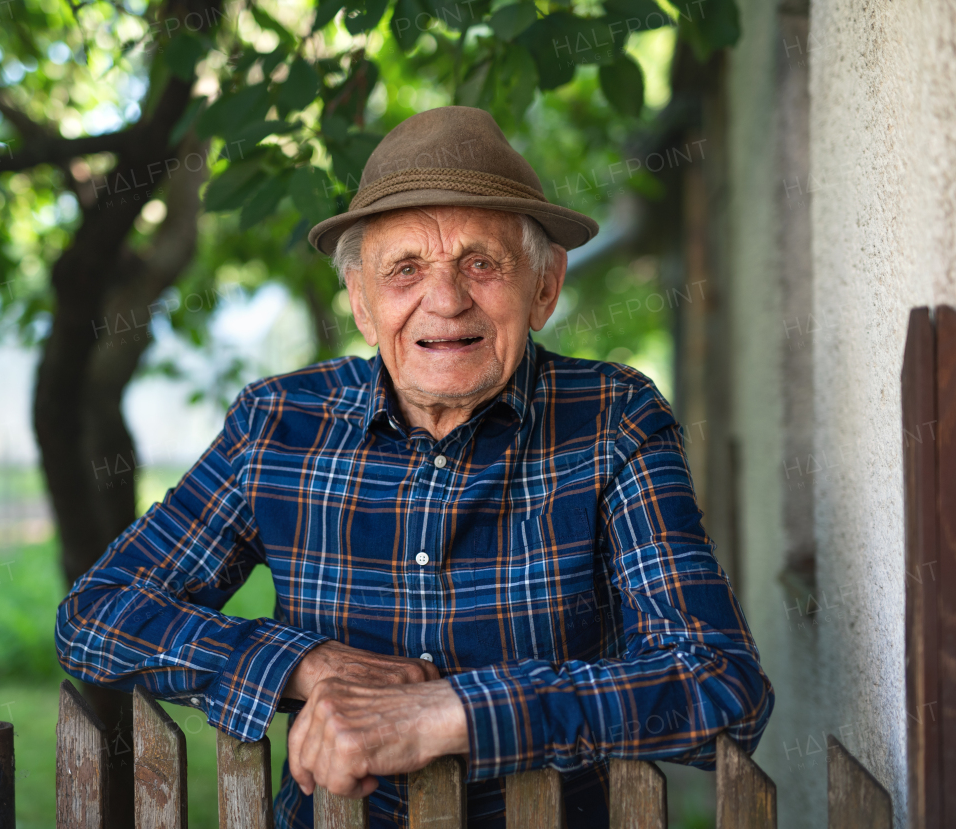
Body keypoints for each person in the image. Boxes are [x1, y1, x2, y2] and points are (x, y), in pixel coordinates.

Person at [56, 105, 774, 828]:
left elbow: (720, 683)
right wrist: (304, 664)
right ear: (363, 303)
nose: (446, 299)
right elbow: (97, 613)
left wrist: (455, 710)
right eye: (405, 270)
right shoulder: (278, 424)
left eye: (482, 263)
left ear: (545, 288)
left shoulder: (614, 419)